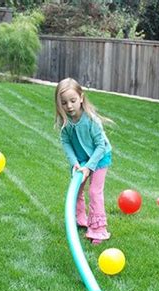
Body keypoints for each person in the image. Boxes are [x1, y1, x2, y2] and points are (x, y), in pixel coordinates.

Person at [55, 78, 113, 244]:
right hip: (80, 160)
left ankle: (98, 229)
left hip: (100, 157)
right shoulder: (65, 121)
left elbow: (100, 146)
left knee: (94, 191)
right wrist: (75, 163)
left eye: (73, 101)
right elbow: (66, 142)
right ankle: (80, 219)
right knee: (77, 190)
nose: (69, 106)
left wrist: (89, 167)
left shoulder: (91, 120)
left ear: (81, 97)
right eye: (64, 103)